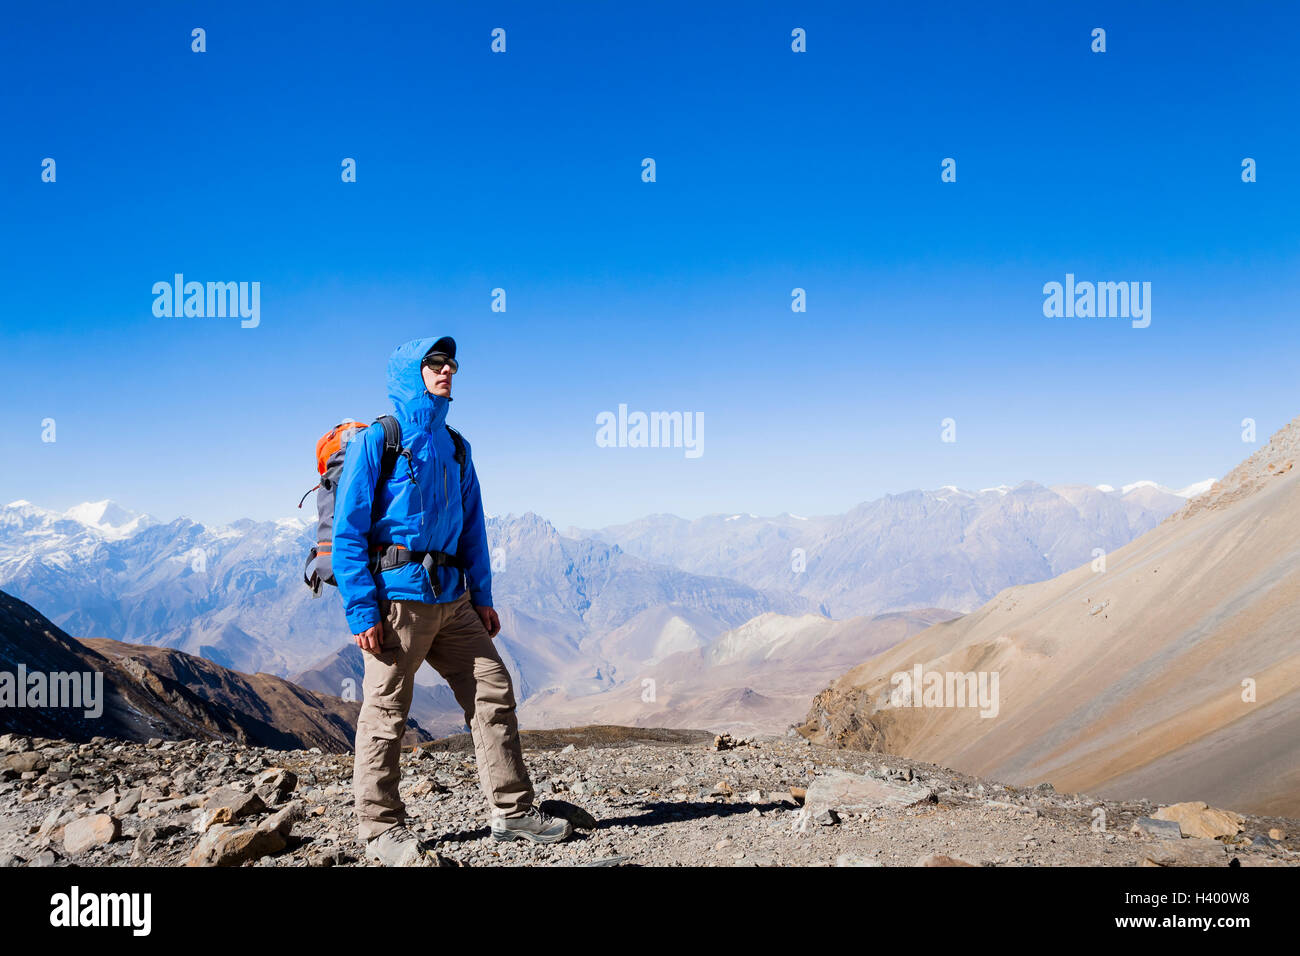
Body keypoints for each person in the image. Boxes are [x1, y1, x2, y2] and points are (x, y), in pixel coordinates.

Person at [332, 335, 572, 866]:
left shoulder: (456, 445)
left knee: (492, 688)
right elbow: (349, 531)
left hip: (454, 600)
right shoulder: (380, 439)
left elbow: (473, 530)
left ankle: (511, 812)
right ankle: (380, 830)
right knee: (386, 713)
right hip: (398, 602)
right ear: (410, 373)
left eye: (451, 364)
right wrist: (361, 608)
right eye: (434, 363)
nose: (446, 371)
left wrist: (482, 595)